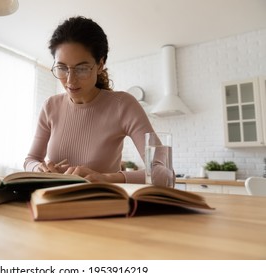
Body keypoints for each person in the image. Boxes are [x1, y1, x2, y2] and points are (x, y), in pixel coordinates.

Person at [24, 16, 174, 186]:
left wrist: (106, 178)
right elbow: (31, 159)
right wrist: (39, 169)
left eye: (81, 69)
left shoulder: (123, 105)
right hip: (51, 203)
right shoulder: (50, 106)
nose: (70, 80)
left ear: (100, 64)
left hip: (103, 205)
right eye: (62, 68)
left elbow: (165, 172)